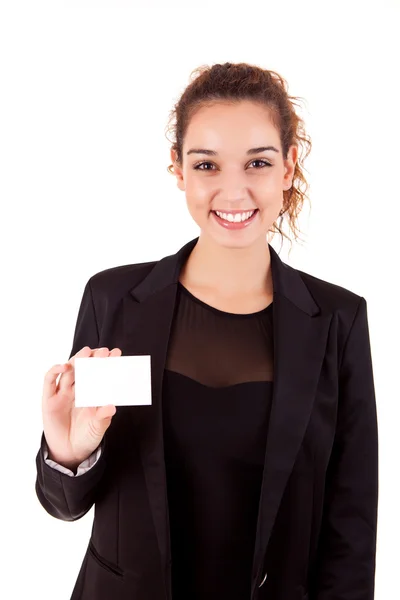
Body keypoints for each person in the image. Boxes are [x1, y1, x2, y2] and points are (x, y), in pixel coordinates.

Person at [35, 62, 379, 600]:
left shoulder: (338, 319)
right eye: (207, 164)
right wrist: (69, 451)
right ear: (178, 170)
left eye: (258, 163)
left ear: (288, 167)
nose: (233, 190)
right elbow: (64, 504)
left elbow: (351, 525)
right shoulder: (115, 300)